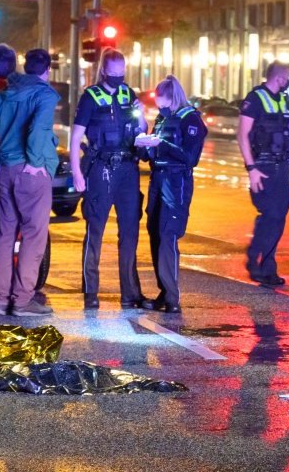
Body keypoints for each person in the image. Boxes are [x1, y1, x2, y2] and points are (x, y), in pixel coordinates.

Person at [0, 48, 60, 317]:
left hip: (5, 170)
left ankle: (0, 300)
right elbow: (38, 130)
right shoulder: (44, 94)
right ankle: (21, 301)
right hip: (31, 173)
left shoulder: (3, 94)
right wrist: (34, 162)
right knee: (34, 236)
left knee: (4, 235)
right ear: (46, 70)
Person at [70, 49, 147, 310]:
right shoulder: (90, 97)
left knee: (130, 232)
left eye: (122, 72)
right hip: (100, 168)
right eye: (114, 73)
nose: (118, 77)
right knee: (95, 231)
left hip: (127, 168)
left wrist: (142, 115)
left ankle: (130, 293)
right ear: (104, 70)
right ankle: (91, 292)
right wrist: (77, 172)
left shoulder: (128, 94)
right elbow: (75, 136)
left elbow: (141, 131)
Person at [237, 61, 289, 287]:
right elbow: (242, 135)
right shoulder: (255, 99)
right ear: (279, 78)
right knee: (270, 214)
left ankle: (268, 269)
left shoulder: (283, 99)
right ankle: (254, 257)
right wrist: (251, 169)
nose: (288, 81)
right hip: (262, 167)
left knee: (279, 217)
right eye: (287, 77)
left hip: (282, 167)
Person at [137, 75, 207, 314]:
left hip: (176, 182)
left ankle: (172, 297)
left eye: (161, 98)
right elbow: (149, 154)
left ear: (172, 97)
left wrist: (161, 145)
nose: (158, 103)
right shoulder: (162, 117)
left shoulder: (192, 120)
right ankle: (164, 292)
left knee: (167, 235)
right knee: (155, 233)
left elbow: (190, 158)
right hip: (158, 178)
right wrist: (143, 142)